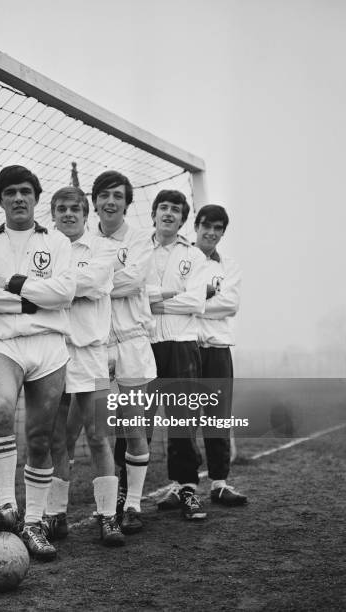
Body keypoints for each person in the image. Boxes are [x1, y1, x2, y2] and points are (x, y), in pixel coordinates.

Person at [0, 165, 75, 561]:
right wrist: (33, 300)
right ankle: (7, 508)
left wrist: (12, 289)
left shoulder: (58, 242)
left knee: (41, 438)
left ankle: (33, 524)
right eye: (10, 192)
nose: (18, 198)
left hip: (49, 346)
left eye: (25, 191)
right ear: (0, 199)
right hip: (1, 343)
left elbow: (64, 293)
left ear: (35, 197)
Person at [44, 186, 125, 547]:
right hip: (54, 351)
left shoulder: (103, 249)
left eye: (75, 208)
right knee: (56, 439)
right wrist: (46, 287)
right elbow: (35, 289)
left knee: (97, 436)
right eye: (61, 209)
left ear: (85, 213)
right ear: (53, 214)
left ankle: (108, 517)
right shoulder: (43, 249)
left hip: (91, 353)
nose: (68, 214)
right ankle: (55, 516)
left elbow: (92, 284)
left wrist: (52, 287)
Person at [93, 170, 156, 535]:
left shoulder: (139, 240)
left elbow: (134, 280)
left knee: (134, 429)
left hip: (132, 343)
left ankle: (132, 504)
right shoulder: (84, 241)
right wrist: (99, 280)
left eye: (118, 195)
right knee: (99, 431)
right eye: (104, 195)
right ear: (95, 201)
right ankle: (106, 504)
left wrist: (94, 283)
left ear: (127, 203)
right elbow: (77, 285)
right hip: (97, 348)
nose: (111, 201)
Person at [145, 189, 208, 520]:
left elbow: (196, 302)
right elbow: (129, 295)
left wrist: (153, 303)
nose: (168, 213)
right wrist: (163, 298)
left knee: (183, 421)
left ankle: (187, 488)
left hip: (182, 344)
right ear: (154, 213)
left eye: (175, 209)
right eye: (163, 207)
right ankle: (124, 499)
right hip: (143, 344)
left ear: (183, 219)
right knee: (139, 422)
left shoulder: (194, 256)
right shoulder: (138, 251)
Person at [194, 204, 247, 506]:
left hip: (218, 351)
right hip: (188, 349)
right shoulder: (182, 259)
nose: (212, 233)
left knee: (217, 420)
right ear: (197, 226)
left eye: (218, 229)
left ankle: (219, 483)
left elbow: (231, 305)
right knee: (183, 420)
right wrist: (198, 297)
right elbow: (172, 296)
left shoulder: (230, 266)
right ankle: (181, 485)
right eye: (207, 226)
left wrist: (191, 301)